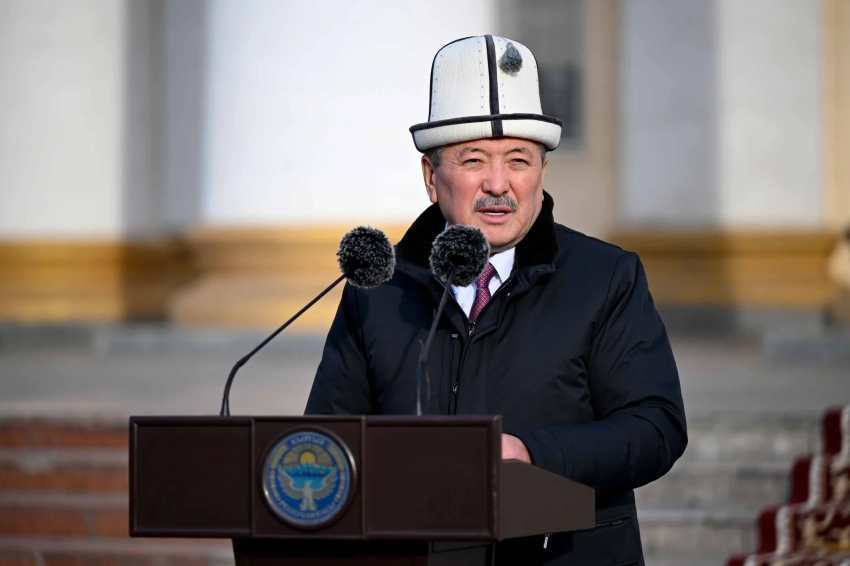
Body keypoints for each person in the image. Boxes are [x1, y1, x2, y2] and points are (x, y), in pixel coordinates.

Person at [305, 35, 687, 566]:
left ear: (542, 174)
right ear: (431, 177)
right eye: (473, 160)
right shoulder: (379, 288)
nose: (498, 184)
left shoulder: (606, 277)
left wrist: (531, 453)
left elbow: (655, 428)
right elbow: (328, 442)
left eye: (519, 160)